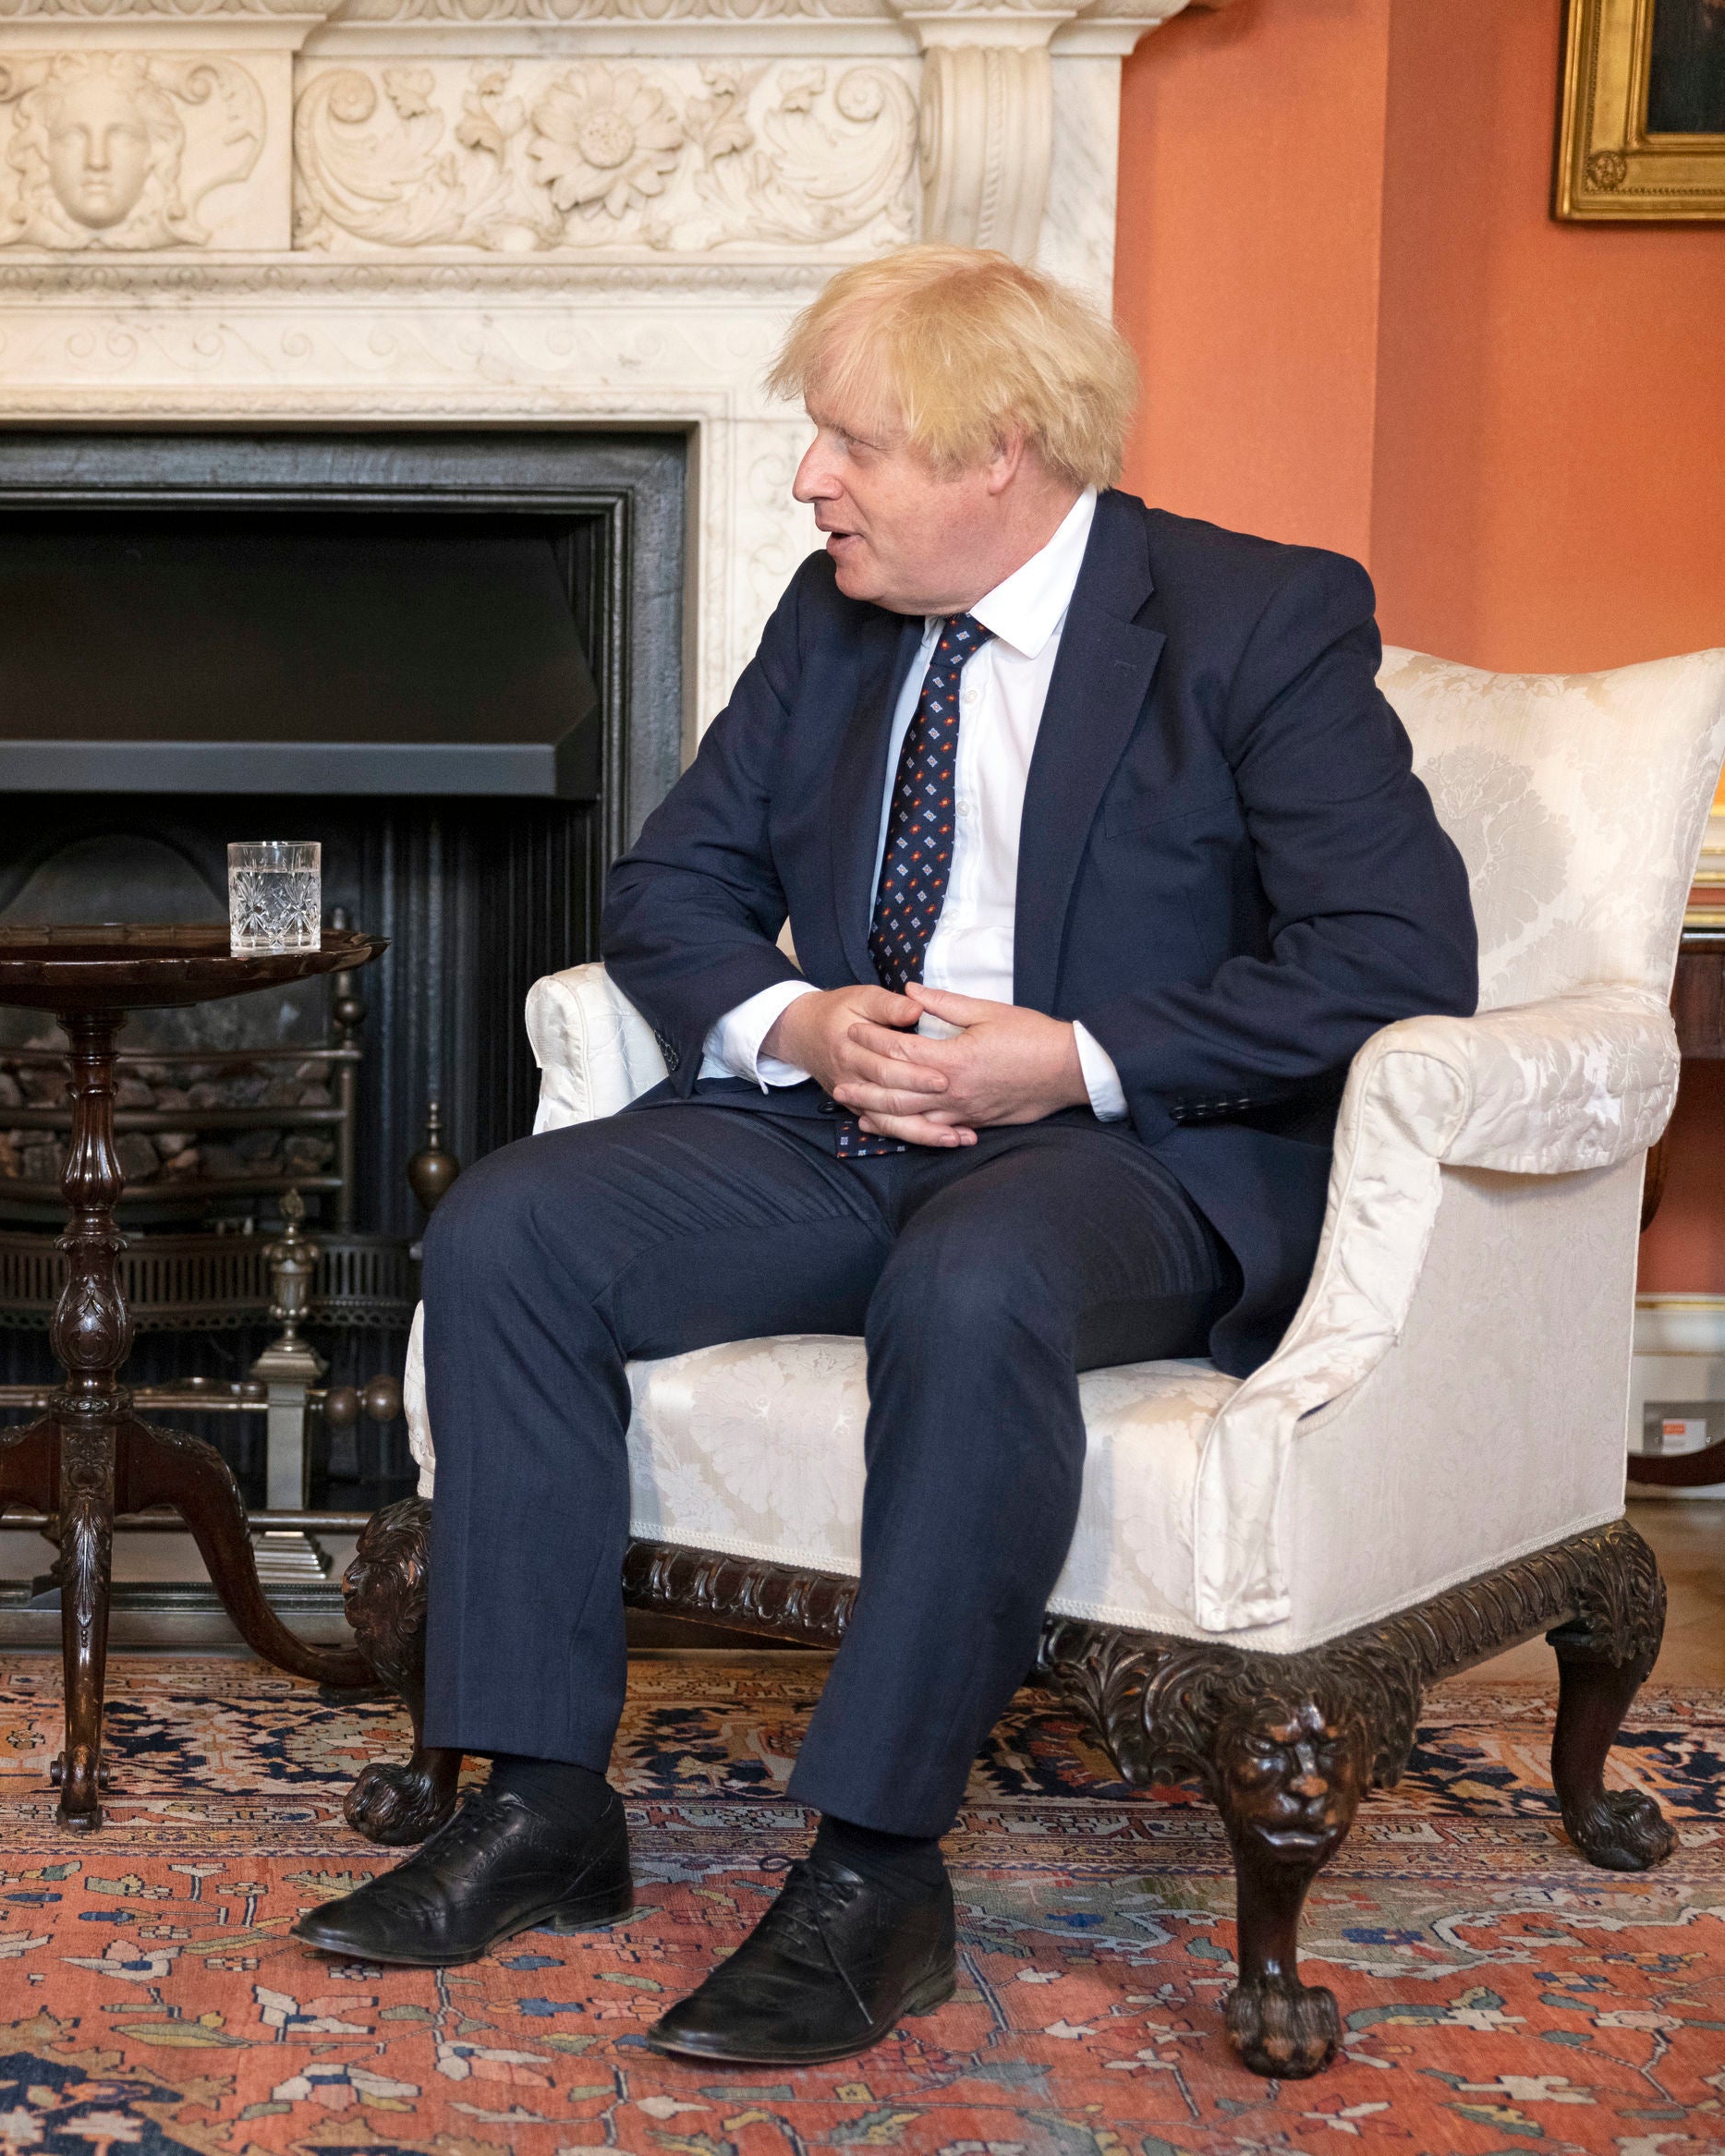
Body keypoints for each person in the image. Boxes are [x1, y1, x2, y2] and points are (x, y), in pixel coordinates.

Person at [292, 246, 1477, 2065]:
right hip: (842, 1128)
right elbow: (670, 889)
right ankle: (540, 1803)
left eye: (848, 443)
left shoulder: (1251, 619)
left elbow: (1392, 959)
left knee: (976, 1268)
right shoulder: (833, 618)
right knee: (516, 1229)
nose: (806, 479)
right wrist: (801, 1023)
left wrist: (1065, 1059)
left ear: (994, 450)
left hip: (1131, 1158)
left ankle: (874, 1870)